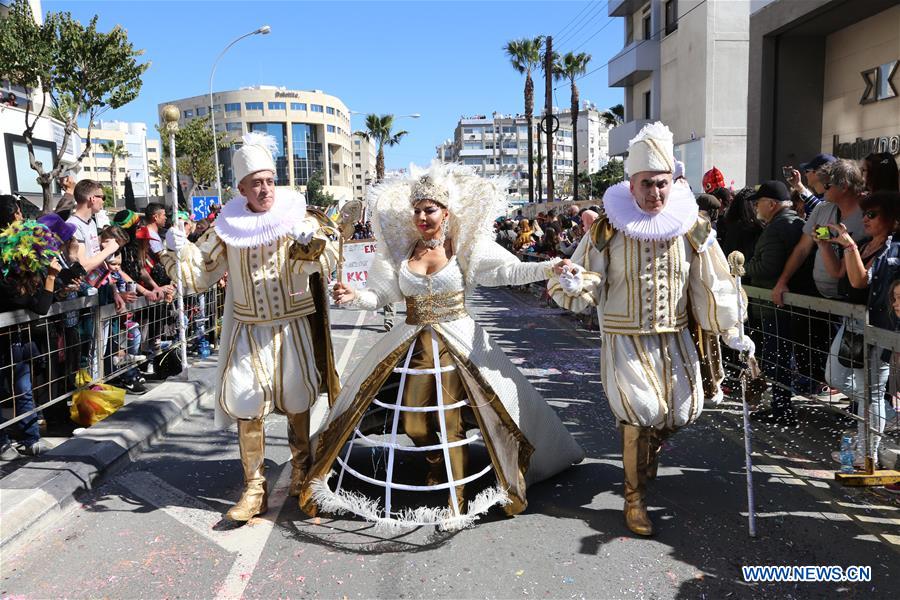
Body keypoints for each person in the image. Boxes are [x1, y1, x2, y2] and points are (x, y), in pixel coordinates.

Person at [306, 162, 584, 530]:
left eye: (429, 209)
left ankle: (457, 500)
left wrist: (550, 267)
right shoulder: (400, 253)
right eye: (417, 210)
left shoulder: (465, 246)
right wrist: (354, 295)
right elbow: (380, 295)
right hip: (412, 343)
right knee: (416, 423)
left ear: (445, 212)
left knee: (454, 420)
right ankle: (437, 467)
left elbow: (508, 272)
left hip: (460, 344)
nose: (422, 216)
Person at [549, 122, 749, 537]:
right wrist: (575, 282)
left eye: (661, 184)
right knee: (638, 413)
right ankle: (634, 499)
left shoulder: (692, 228)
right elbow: (588, 275)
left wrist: (730, 328)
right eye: (646, 185)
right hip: (624, 338)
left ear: (671, 182)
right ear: (632, 183)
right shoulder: (607, 228)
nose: (654, 193)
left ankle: (644, 451)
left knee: (682, 410)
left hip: (673, 337)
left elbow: (709, 282)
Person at [161, 131, 340, 523]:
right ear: (241, 188)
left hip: (291, 327)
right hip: (247, 329)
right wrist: (175, 248)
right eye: (256, 183)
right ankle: (254, 487)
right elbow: (199, 275)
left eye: (270, 181)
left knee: (297, 398)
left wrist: (312, 244)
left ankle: (301, 472)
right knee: (246, 401)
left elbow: (325, 258)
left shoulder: (298, 217)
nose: (265, 189)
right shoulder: (228, 226)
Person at [820, 191, 900, 468]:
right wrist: (825, 245)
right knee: (835, 375)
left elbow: (859, 282)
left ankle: (866, 455)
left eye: (872, 214)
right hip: (853, 323)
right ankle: (887, 417)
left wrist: (849, 246)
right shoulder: (865, 243)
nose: (865, 219)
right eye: (864, 213)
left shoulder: (894, 248)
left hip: (879, 326)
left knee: (873, 392)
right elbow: (839, 275)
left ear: (892, 218)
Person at [744, 181, 815, 427]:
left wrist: (742, 267)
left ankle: (782, 409)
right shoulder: (794, 222)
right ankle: (781, 406)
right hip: (786, 302)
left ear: (771, 204)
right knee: (782, 357)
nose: (756, 208)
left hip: (777, 304)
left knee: (779, 358)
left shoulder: (778, 227)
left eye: (758, 203)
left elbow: (767, 267)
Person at [786, 153, 835, 217]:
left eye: (807, 171)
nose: (805, 175)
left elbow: (823, 210)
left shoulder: (834, 198)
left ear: (818, 172)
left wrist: (800, 187)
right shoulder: (821, 198)